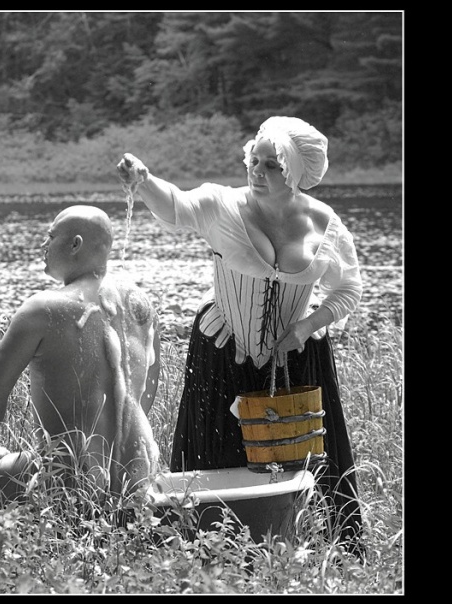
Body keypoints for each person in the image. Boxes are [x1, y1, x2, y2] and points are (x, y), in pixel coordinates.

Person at [116, 116, 365, 557]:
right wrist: (144, 179)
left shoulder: (324, 223)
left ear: (296, 173)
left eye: (273, 165)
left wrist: (306, 327)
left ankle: (319, 550)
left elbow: (348, 289)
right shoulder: (221, 205)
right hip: (224, 350)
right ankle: (208, 551)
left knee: (301, 457)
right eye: (255, 159)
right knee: (217, 454)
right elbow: (175, 205)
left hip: (297, 357)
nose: (258, 171)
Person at [0, 205, 161, 510]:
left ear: (75, 244)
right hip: (138, 473)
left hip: (69, 480)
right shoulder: (139, 303)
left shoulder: (42, 309)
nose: (43, 245)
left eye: (51, 236)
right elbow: (148, 386)